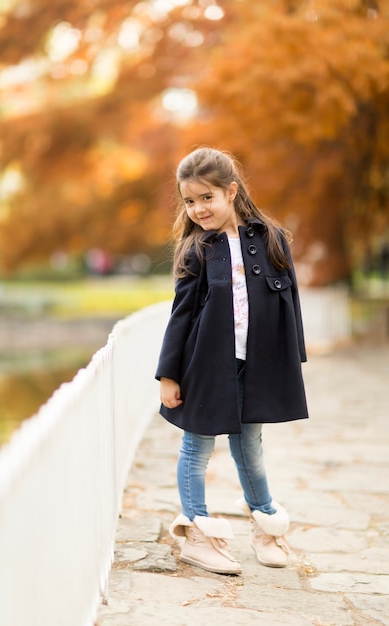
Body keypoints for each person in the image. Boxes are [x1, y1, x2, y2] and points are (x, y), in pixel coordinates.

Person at [155, 147, 308, 575]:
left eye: (207, 197)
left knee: (250, 448)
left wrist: (290, 360)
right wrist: (168, 375)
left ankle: (266, 524)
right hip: (204, 366)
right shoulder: (195, 250)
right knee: (196, 446)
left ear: (231, 191)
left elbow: (289, 302)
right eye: (190, 201)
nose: (198, 209)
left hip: (255, 364)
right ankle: (198, 535)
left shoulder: (272, 239)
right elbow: (181, 314)